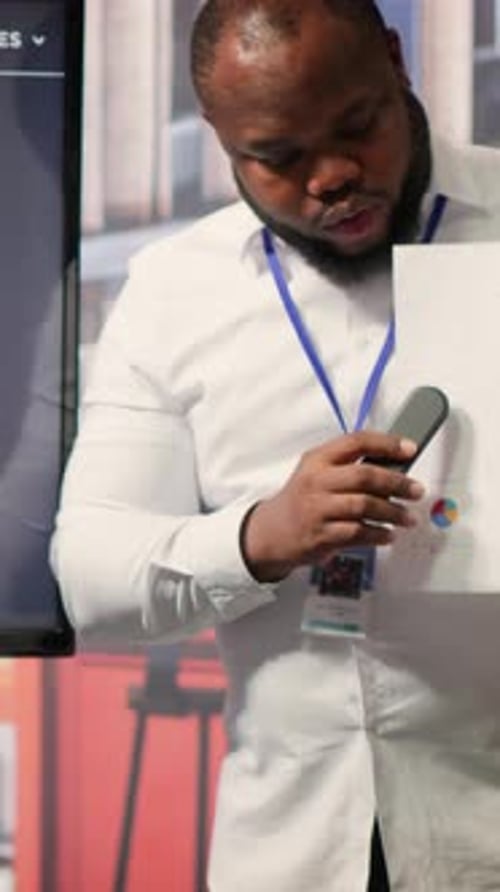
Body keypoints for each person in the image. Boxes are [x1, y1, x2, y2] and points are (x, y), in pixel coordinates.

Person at [51, 1, 500, 890]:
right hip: (289, 854)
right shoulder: (176, 291)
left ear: (396, 61)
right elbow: (88, 576)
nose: (334, 175)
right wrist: (259, 537)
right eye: (281, 157)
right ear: (222, 143)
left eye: (357, 125)